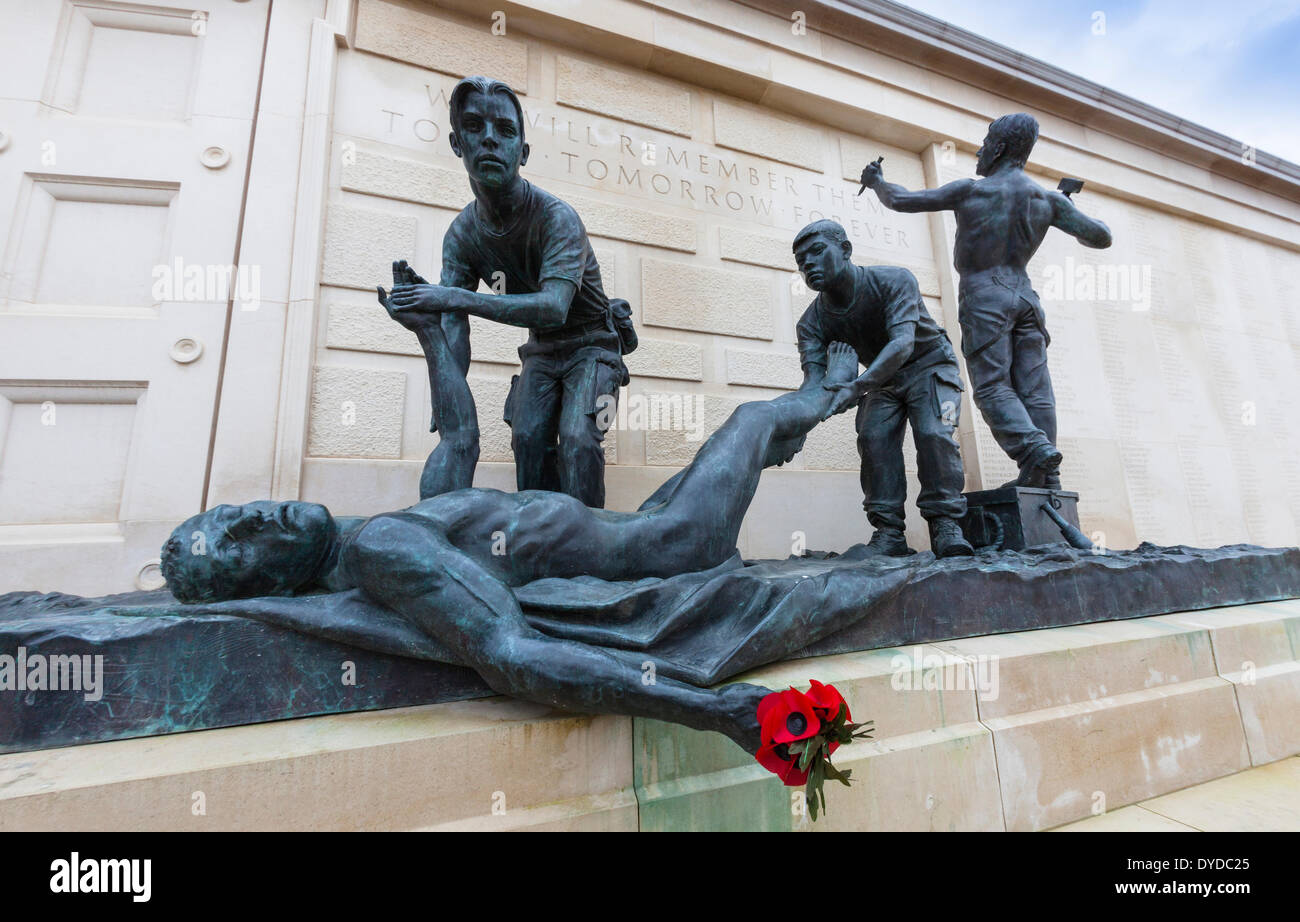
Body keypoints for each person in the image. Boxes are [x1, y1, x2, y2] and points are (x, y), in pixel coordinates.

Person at [160, 310, 865, 754]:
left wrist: (434, 336)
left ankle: (796, 422)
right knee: (750, 423)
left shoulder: (399, 524)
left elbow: (459, 428)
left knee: (744, 441)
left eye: (236, 509)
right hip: (677, 543)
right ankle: (825, 394)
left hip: (647, 520)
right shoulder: (385, 551)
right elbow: (510, 651)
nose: (258, 514)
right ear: (274, 583)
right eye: (241, 539)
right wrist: (711, 711)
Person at [387, 76, 628, 507]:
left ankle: (593, 548)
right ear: (457, 143)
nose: (490, 141)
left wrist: (452, 298)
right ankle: (542, 548)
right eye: (475, 128)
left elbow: (553, 308)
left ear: (524, 151)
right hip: (541, 353)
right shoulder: (461, 235)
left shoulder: (557, 218)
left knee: (576, 439)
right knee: (529, 439)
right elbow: (453, 329)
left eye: (505, 131)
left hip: (593, 346)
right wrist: (449, 398)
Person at [860, 113, 1112, 488]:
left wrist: (876, 182)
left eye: (985, 141)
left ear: (1000, 147)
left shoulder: (972, 190)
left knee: (993, 387)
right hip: (1026, 296)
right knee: (1036, 390)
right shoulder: (1047, 200)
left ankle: (1034, 452)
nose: (980, 149)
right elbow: (1100, 236)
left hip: (985, 296)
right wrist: (1064, 209)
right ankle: (1045, 479)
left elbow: (901, 200)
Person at [793, 220, 973, 558]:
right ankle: (888, 532)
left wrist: (856, 386)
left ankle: (945, 523)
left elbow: (903, 344)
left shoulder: (893, 280)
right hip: (882, 379)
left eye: (817, 252)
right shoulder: (811, 323)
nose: (809, 265)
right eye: (801, 262)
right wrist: (797, 421)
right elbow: (813, 382)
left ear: (845, 250)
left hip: (929, 364)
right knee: (873, 439)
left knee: (934, 433)